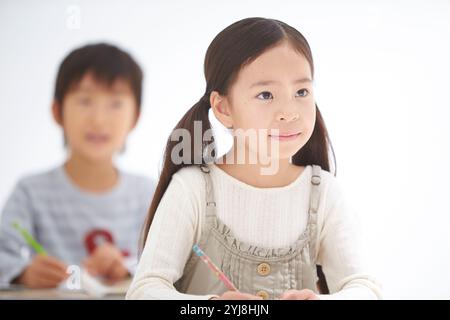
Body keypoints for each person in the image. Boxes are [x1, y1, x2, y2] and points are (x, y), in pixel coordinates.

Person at [126, 18, 381, 300]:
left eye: (301, 92)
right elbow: (145, 291)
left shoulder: (323, 193)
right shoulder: (192, 189)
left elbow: (364, 289)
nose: (289, 112)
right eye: (265, 94)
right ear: (223, 108)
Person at [0, 43, 155, 288]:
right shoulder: (30, 192)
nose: (98, 119)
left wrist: (126, 268)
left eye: (115, 103)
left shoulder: (148, 194)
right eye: (84, 101)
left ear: (135, 116)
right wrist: (23, 272)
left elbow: (172, 263)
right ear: (57, 111)